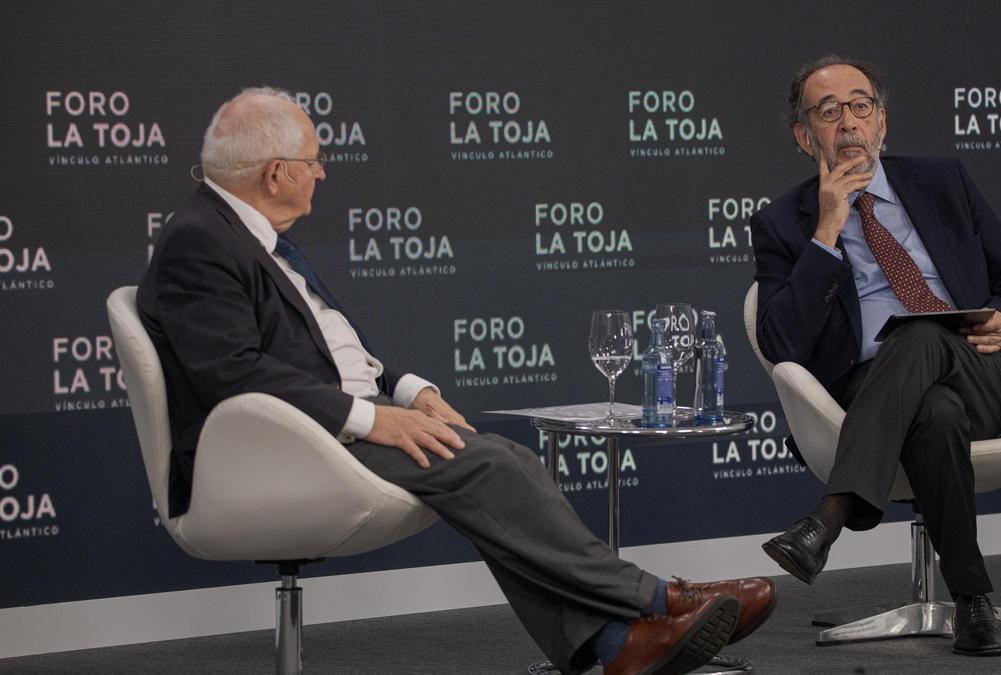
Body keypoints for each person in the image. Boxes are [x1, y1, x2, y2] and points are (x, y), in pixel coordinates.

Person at [138, 87, 775, 675]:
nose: (323, 173)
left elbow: (327, 352)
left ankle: (618, 645)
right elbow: (233, 374)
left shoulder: (252, 237)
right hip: (279, 452)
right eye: (314, 161)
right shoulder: (201, 241)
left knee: (507, 462)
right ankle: (658, 599)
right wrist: (374, 418)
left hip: (325, 427)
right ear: (277, 173)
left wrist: (408, 391)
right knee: (489, 469)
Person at [751, 56, 1001, 657]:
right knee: (935, 412)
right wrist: (827, 229)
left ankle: (829, 517)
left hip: (980, 371)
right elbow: (781, 346)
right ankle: (972, 603)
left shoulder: (943, 181)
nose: (848, 122)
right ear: (804, 136)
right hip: (871, 389)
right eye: (828, 111)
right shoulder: (783, 224)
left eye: (860, 106)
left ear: (882, 121)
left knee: (920, 335)